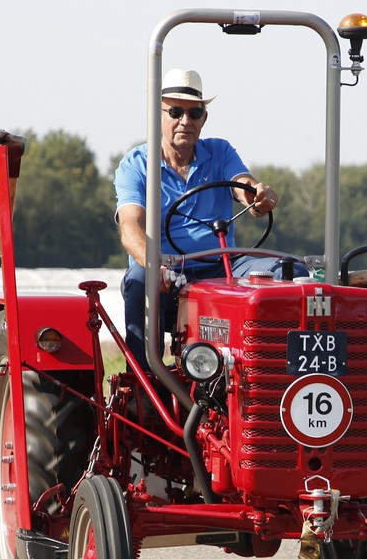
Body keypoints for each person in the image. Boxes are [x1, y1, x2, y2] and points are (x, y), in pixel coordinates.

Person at [113, 68, 287, 368]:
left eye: (194, 113)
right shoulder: (136, 164)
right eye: (175, 112)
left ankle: (270, 370)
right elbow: (131, 227)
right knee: (140, 279)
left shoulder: (220, 151)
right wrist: (156, 265)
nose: (185, 121)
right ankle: (143, 380)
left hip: (222, 266)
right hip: (166, 270)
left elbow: (243, 185)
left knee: (286, 270)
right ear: (157, 115)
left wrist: (257, 196)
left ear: (203, 119)